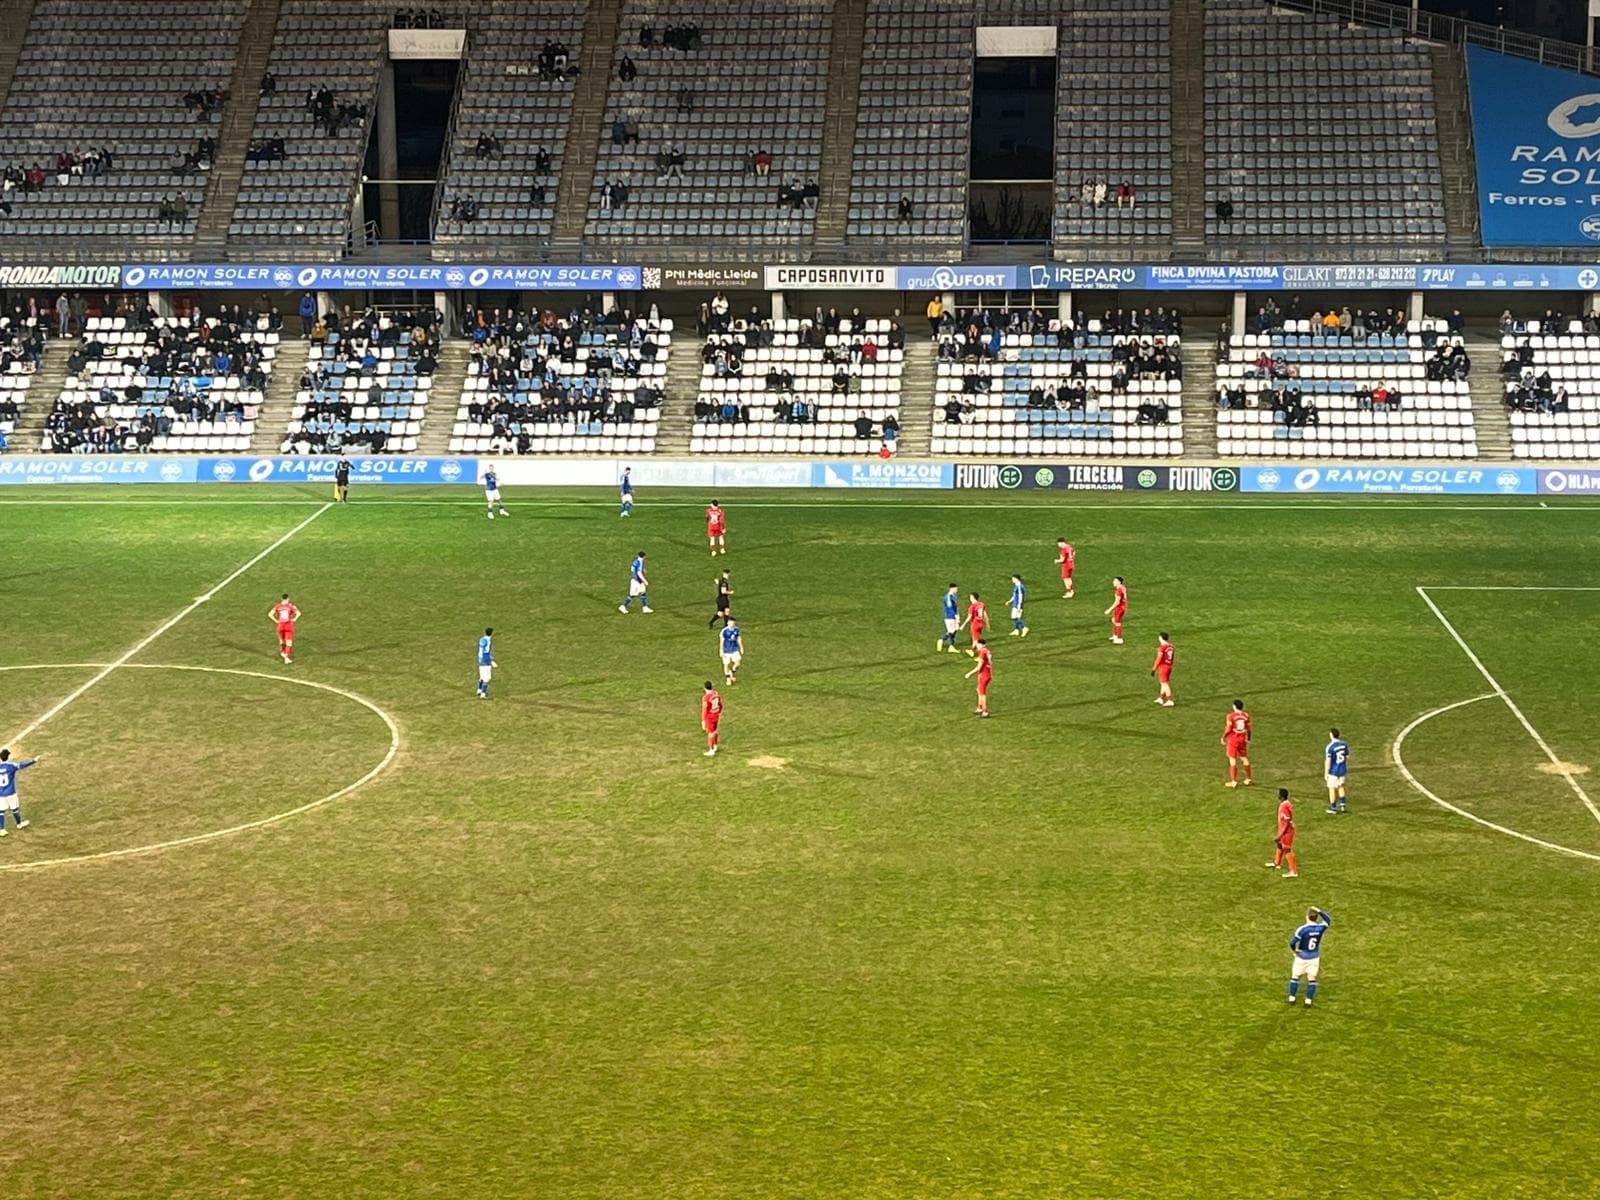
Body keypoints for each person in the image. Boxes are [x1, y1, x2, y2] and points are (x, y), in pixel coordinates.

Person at [1287, 907, 1332, 1007]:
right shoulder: (1320, 928)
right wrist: (1319, 911)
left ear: (1307, 917)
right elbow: (1328, 920)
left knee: (1295, 977)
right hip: (1314, 957)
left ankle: (1292, 998)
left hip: (1302, 957)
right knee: (1312, 978)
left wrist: (1295, 951)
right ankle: (1308, 1001)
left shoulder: (1302, 929)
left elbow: (1292, 942)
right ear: (1316, 918)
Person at [0, 748, 38, 834]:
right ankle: (19, 824)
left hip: (1, 794)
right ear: (8, 757)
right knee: (15, 809)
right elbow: (22, 765)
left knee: (1, 812)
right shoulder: (11, 766)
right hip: (11, 793)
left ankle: (2, 829)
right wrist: (33, 761)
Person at [1222, 698, 1254, 788]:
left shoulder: (1230, 716)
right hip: (1242, 738)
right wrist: (1249, 738)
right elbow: (1249, 729)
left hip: (1233, 739)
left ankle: (1233, 781)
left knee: (1232, 759)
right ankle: (1248, 779)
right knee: (1244, 758)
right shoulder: (1246, 715)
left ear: (1234, 707)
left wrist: (1223, 737)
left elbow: (1228, 728)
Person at [1267, 788, 1298, 877]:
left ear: (1281, 796)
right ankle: (1277, 863)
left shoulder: (1284, 807)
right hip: (1284, 829)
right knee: (1280, 845)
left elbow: (1287, 822)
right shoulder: (1286, 804)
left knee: (1287, 849)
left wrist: (1280, 835)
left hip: (1287, 831)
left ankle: (1293, 871)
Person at [963, 638, 992, 718]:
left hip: (983, 675)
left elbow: (979, 667)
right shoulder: (987, 651)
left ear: (980, 644)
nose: (977, 646)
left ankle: (985, 711)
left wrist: (969, 673)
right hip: (988, 674)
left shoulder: (982, 652)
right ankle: (979, 708)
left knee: (982, 693)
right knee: (979, 690)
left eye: (977, 645)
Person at [270, 593, 301, 664]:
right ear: (288, 599)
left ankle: (282, 652)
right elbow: (298, 613)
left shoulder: (278, 606)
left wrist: (277, 621)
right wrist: (295, 619)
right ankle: (286, 658)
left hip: (280, 626)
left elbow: (270, 614)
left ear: (281, 599)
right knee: (289, 642)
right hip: (288, 626)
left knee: (282, 640)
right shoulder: (290, 606)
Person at [1324, 728, 1350, 814]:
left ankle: (1333, 807)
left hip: (1333, 771)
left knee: (1332, 788)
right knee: (1341, 786)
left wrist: (1326, 773)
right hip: (1342, 769)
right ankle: (1343, 805)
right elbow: (1347, 757)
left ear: (1331, 735)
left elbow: (1328, 761)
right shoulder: (1344, 744)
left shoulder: (1330, 747)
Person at [1151, 632, 1175, 706]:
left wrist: (1154, 669)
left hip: (1163, 667)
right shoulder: (1171, 646)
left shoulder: (1162, 648)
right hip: (1169, 666)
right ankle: (1161, 698)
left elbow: (1159, 659)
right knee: (1163, 683)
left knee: (1164, 683)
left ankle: (1170, 700)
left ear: (1161, 638)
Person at [719, 616, 744, 685]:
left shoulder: (737, 630)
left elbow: (739, 639)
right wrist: (721, 650)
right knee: (726, 664)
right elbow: (722, 641)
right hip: (726, 650)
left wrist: (741, 647)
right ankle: (728, 679)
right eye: (730, 623)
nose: (732, 624)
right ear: (728, 623)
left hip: (734, 649)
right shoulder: (724, 631)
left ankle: (732, 672)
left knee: (738, 663)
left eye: (733, 623)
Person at [961, 591, 988, 656]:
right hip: (980, 624)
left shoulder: (972, 606)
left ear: (973, 598)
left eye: (970, 597)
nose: (970, 598)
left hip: (975, 624)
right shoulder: (981, 604)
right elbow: (985, 615)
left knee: (976, 640)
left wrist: (963, 625)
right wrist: (987, 623)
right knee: (975, 638)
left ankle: (979, 653)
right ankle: (972, 651)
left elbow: (969, 617)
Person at [701, 680, 723, 757]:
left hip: (709, 717)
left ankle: (711, 750)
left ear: (704, 688)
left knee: (710, 733)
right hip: (716, 715)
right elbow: (720, 704)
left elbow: (704, 709)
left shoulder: (706, 697)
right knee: (715, 731)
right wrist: (719, 711)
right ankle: (715, 746)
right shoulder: (716, 694)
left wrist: (703, 720)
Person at [938, 582, 961, 653]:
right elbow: (950, 607)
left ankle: (951, 646)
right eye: (956, 589)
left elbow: (955, 606)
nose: (957, 590)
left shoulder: (954, 596)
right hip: (949, 616)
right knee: (951, 631)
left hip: (953, 615)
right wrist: (956, 616)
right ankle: (942, 639)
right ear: (951, 589)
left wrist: (958, 614)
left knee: (955, 630)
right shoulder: (948, 597)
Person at [1104, 576, 1127, 644]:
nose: (1113, 582)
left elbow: (1117, 602)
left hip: (1119, 608)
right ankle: (1115, 635)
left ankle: (1119, 638)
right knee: (1114, 620)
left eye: (1115, 581)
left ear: (1119, 582)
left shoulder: (1118, 590)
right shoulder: (1123, 587)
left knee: (1117, 623)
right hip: (1123, 606)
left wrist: (1109, 609)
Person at [476, 627, 496, 699]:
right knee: (487, 678)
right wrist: (491, 661)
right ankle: (483, 694)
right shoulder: (488, 641)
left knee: (482, 676)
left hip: (480, 660)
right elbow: (487, 651)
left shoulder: (482, 639)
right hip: (486, 660)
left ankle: (479, 690)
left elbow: (481, 650)